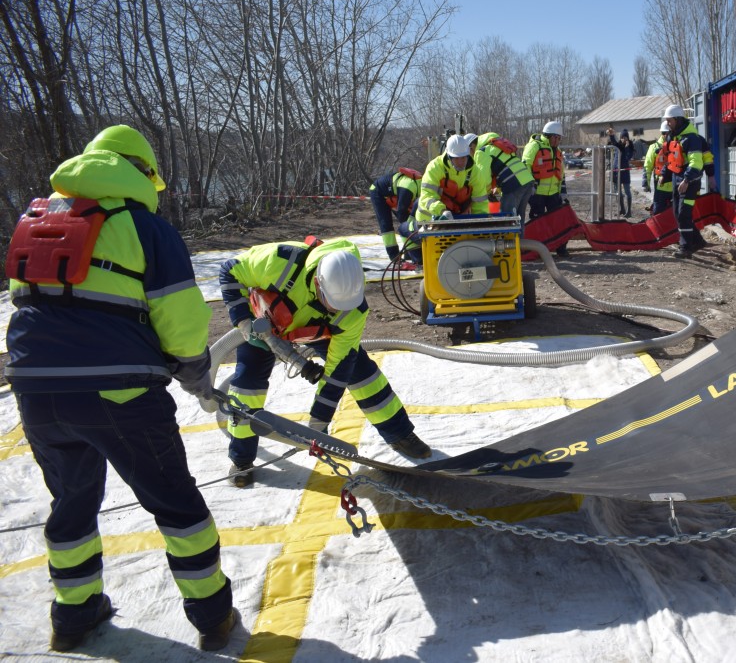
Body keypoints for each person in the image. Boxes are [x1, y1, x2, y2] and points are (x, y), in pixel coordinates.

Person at [5, 125, 237, 652]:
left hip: (35, 393)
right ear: (142, 173)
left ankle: (74, 615)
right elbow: (180, 319)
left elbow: (32, 307)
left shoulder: (36, 219)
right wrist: (196, 373)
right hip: (120, 395)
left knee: (71, 501)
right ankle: (212, 617)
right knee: (175, 503)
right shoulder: (144, 228)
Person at [218, 237, 431, 486]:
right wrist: (243, 321)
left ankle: (400, 435)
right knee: (247, 385)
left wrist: (319, 421)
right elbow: (230, 270)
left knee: (363, 375)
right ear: (318, 283)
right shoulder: (279, 261)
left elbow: (337, 371)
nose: (337, 311)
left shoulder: (353, 311)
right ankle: (242, 459)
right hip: (263, 322)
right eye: (332, 304)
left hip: (310, 328)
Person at [659, 104, 708, 259]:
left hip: (689, 182)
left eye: (670, 120)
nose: (668, 123)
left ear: (678, 119)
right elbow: (670, 159)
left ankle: (685, 248)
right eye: (666, 120)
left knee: (683, 214)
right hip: (676, 179)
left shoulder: (692, 139)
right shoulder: (674, 137)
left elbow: (696, 162)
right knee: (677, 213)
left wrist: (687, 179)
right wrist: (664, 175)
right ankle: (698, 241)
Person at [416, 134, 489, 222]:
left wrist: (481, 222)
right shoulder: (434, 168)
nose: (460, 162)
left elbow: (480, 202)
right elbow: (427, 195)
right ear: (449, 156)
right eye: (456, 158)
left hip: (458, 221)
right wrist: (442, 211)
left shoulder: (475, 172)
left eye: (463, 158)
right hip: (427, 221)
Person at [523, 121, 569, 256]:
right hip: (536, 193)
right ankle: (536, 250)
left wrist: (564, 191)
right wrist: (530, 185)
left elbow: (562, 173)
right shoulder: (534, 147)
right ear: (549, 136)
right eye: (557, 138)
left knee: (558, 221)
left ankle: (561, 249)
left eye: (560, 138)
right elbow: (525, 165)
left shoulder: (558, 152)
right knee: (538, 222)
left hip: (554, 194)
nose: (558, 141)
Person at [474, 132, 535, 223]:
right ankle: (520, 237)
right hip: (528, 181)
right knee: (519, 218)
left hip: (514, 185)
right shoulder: (497, 148)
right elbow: (505, 169)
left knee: (507, 220)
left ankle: (509, 237)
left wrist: (484, 196)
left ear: (473, 146)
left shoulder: (482, 152)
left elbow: (485, 180)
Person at [368, 167, 422, 267]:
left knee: (408, 224)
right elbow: (401, 213)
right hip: (378, 191)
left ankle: (409, 254)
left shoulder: (425, 189)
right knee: (387, 225)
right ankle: (394, 258)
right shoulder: (408, 188)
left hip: (394, 193)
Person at [642, 120, 674, 215]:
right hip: (661, 186)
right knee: (658, 213)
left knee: (674, 214)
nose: (665, 135)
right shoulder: (654, 147)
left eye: (667, 133)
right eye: (664, 133)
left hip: (675, 186)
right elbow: (648, 166)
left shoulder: (676, 145)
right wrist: (645, 183)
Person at [606, 128, 634, 217]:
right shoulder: (618, 146)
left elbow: (628, 157)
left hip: (625, 172)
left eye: (625, 137)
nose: (623, 139)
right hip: (616, 172)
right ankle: (621, 209)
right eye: (622, 137)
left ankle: (629, 211)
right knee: (618, 192)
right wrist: (611, 135)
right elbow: (614, 142)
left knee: (627, 191)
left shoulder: (630, 147)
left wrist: (627, 147)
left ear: (628, 138)